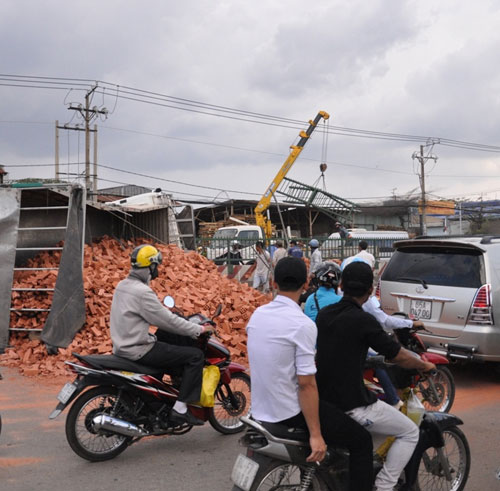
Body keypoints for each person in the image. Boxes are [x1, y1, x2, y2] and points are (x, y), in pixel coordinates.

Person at [247, 256, 374, 491]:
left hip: (260, 409)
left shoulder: (257, 316)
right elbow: (306, 385)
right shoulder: (302, 324)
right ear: (306, 284)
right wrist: (316, 435)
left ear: (274, 283)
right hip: (289, 412)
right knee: (361, 441)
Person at [315, 261, 436, 491]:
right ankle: (384, 486)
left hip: (323, 401)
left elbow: (343, 348)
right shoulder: (364, 321)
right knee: (410, 431)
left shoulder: (325, 315)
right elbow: (398, 355)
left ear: (341, 286)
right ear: (370, 291)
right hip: (351, 405)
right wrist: (423, 365)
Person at [109, 244, 214, 427]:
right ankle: (180, 409)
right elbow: (169, 321)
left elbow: (157, 317)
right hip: (139, 349)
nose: (157, 270)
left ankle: (165, 392)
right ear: (150, 266)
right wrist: (198, 330)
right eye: (156, 266)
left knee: (167, 335)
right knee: (195, 356)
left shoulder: (123, 285)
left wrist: (166, 315)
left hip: (122, 345)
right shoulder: (142, 292)